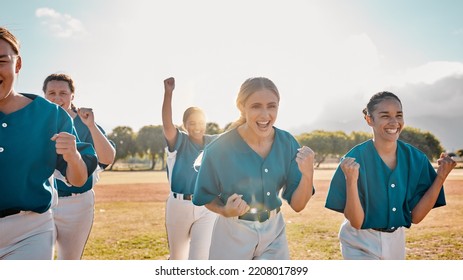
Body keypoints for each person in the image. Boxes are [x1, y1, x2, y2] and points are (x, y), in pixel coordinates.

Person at [0, 26, 97, 260]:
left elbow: (78, 179)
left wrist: (73, 156)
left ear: (18, 65)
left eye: (1, 60)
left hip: (28, 234)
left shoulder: (52, 115)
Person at [192, 77, 315, 260]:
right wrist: (225, 210)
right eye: (256, 106)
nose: (265, 115)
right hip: (233, 233)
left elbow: (298, 205)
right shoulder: (219, 149)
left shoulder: (287, 143)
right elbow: (205, 196)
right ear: (242, 107)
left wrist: (308, 174)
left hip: (274, 233)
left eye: (271, 106)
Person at [325, 91, 457, 260]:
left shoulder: (416, 159)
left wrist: (440, 177)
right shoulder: (353, 160)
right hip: (359, 241)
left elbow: (415, 217)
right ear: (369, 119)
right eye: (385, 116)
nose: (394, 122)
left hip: (396, 240)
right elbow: (357, 223)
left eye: (399, 115)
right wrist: (351, 181)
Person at [43, 73, 116, 260]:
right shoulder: (40, 122)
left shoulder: (84, 122)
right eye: (51, 92)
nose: (57, 98)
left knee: (70, 261)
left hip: (78, 203)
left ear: (72, 96)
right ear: (44, 95)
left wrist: (91, 126)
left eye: (63, 93)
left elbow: (107, 158)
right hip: (44, 201)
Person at [162, 77, 218, 260]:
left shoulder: (212, 142)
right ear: (185, 125)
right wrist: (168, 93)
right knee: (178, 259)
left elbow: (236, 134)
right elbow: (167, 124)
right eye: (191, 123)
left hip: (206, 207)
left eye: (200, 122)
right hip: (179, 205)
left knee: (200, 259)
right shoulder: (179, 141)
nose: (196, 127)